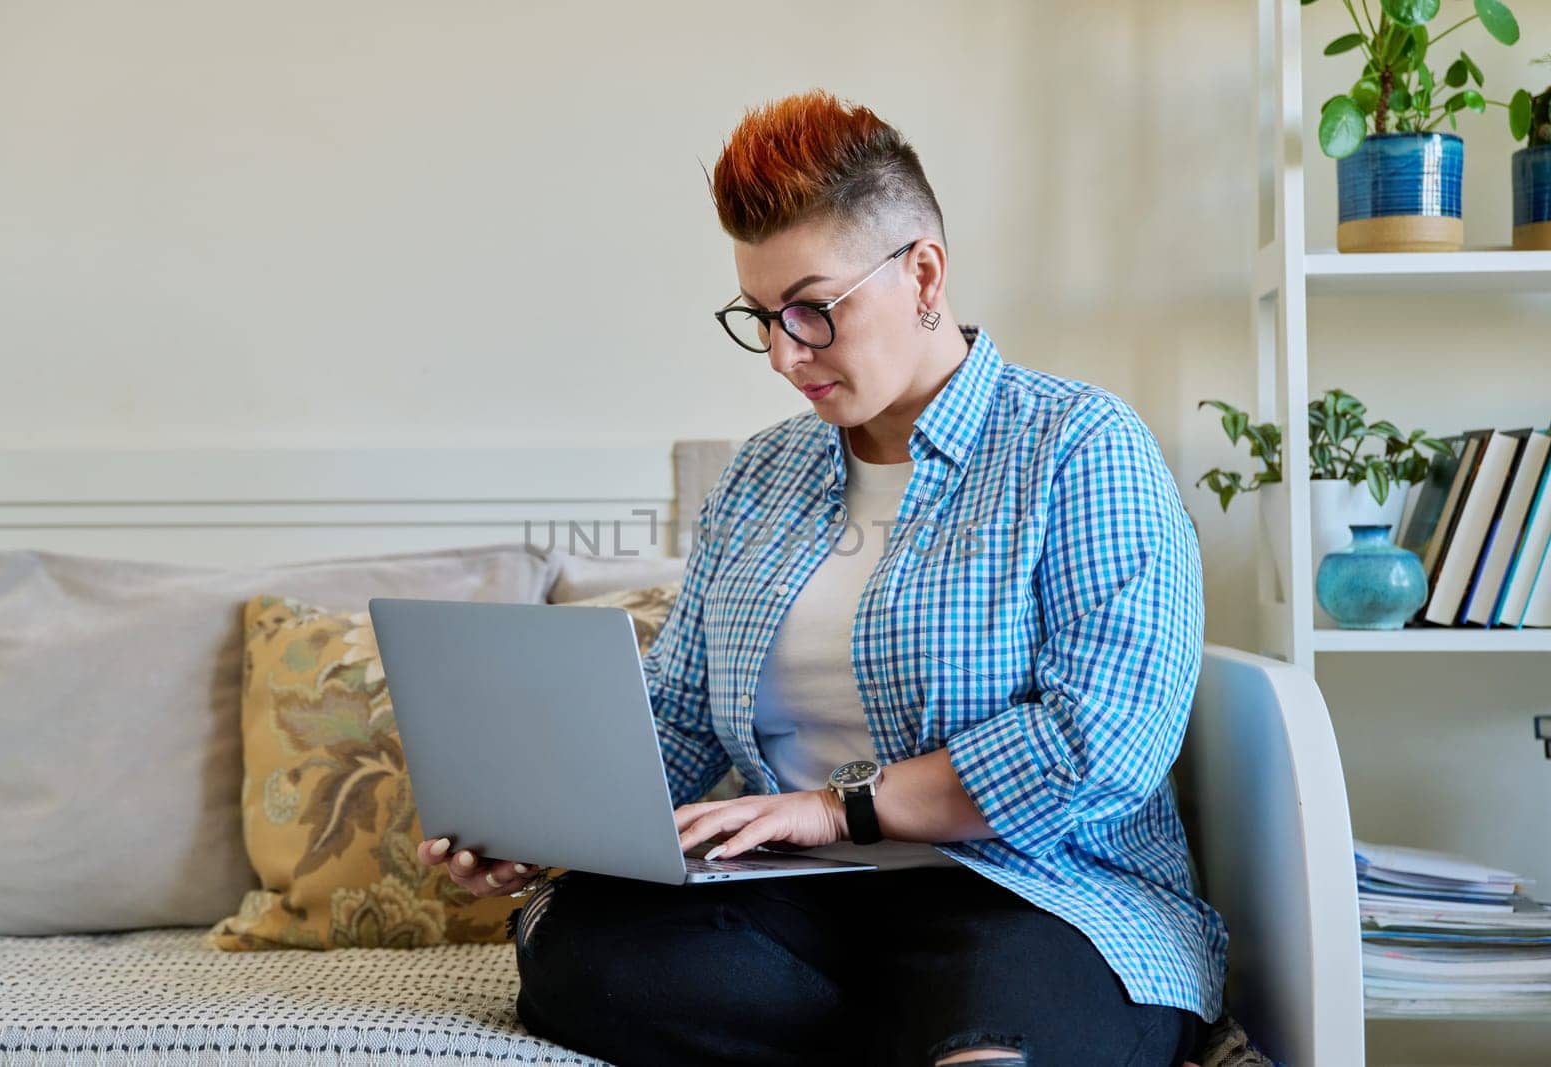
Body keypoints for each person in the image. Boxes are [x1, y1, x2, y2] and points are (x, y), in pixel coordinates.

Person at [418, 89, 1226, 1067]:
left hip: (1036, 890)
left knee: (995, 1028)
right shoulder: (760, 475)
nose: (782, 353)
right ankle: (923, 1033)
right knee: (580, 951)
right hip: (797, 902)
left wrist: (837, 805)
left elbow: (1101, 739)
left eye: (812, 309)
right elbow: (675, 710)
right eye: (758, 316)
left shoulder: (1079, 446)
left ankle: (965, 1029)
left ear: (923, 272)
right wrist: (538, 820)